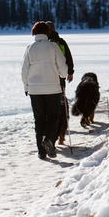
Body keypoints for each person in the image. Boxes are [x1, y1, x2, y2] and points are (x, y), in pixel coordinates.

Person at [21, 21, 68, 159]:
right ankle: (48, 140)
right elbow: (63, 67)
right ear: (47, 33)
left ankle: (41, 151)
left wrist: (26, 87)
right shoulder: (53, 47)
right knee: (54, 116)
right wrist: (63, 76)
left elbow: (24, 70)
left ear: (34, 33)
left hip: (35, 90)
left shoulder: (30, 48)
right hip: (53, 88)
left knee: (39, 119)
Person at [46, 21, 74, 144]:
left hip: (48, 77)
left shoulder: (45, 44)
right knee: (61, 100)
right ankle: (61, 129)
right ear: (55, 29)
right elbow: (68, 57)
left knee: (50, 101)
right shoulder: (61, 42)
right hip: (61, 76)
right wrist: (70, 72)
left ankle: (53, 127)